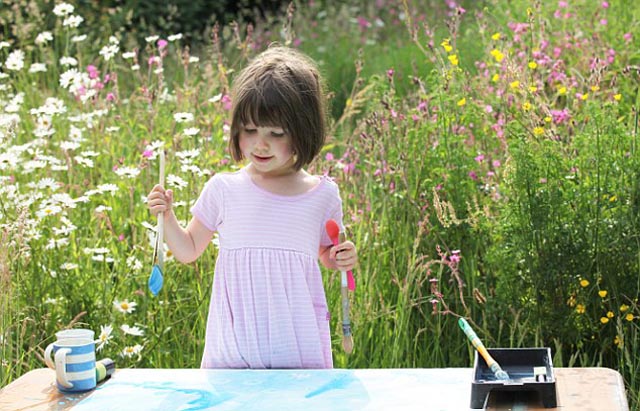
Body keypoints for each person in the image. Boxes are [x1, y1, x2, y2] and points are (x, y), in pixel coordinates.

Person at [147, 46, 358, 369]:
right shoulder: (224, 189)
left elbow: (327, 254)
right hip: (234, 350)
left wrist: (342, 256)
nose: (260, 144)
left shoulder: (323, 195)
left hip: (296, 347)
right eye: (250, 130)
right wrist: (167, 215)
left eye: (276, 133)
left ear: (304, 131)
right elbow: (188, 249)